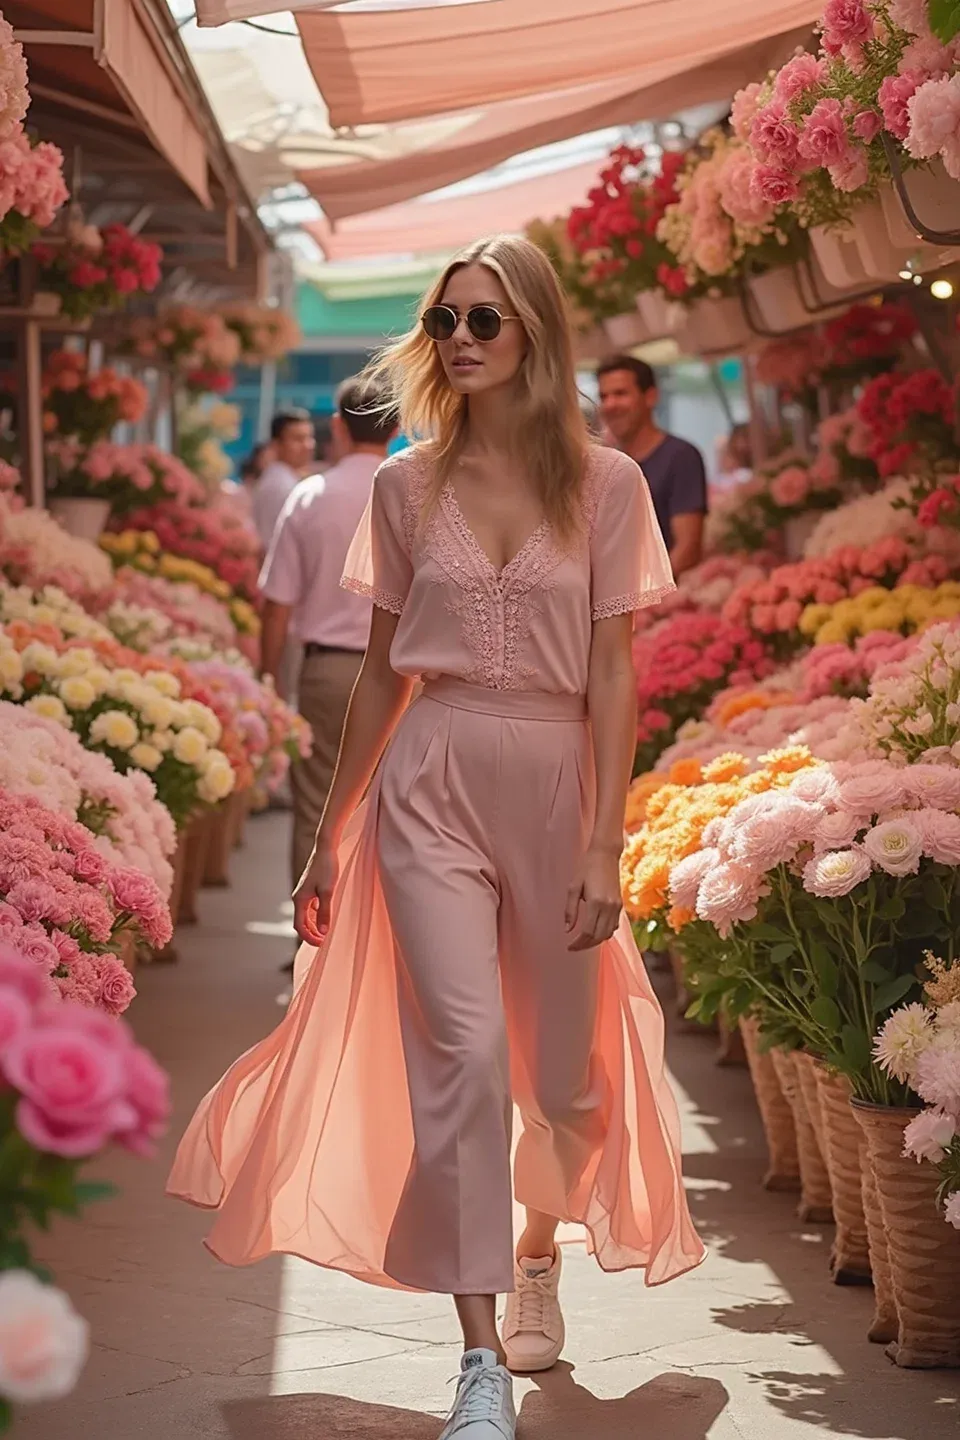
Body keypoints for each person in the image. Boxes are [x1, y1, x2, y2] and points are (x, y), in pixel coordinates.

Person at [168, 235, 704, 1440]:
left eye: (485, 322)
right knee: (458, 1061)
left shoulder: (609, 482)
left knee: (565, 1091)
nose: (460, 341)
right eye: (446, 321)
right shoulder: (401, 488)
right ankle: (475, 1365)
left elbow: (616, 675)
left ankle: (534, 1250)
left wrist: (610, 844)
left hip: (562, 785)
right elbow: (375, 679)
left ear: (535, 335)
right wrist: (328, 836)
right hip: (431, 784)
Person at [259, 376, 398, 898]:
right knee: (396, 808)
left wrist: (270, 678)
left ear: (338, 425)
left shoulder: (309, 496)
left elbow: (277, 602)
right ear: (398, 427)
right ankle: (383, 951)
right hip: (406, 674)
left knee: (318, 807)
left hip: (326, 672)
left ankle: (313, 946)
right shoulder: (418, 490)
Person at [596, 355, 707, 576]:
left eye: (620, 394)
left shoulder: (680, 456)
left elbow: (687, 549)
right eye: (603, 396)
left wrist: (642, 602)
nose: (610, 405)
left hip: (663, 602)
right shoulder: (607, 464)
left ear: (651, 397)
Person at [251, 409, 316, 553]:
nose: (307, 446)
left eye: (309, 438)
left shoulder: (286, 480)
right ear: (276, 445)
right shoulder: (280, 486)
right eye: (298, 439)